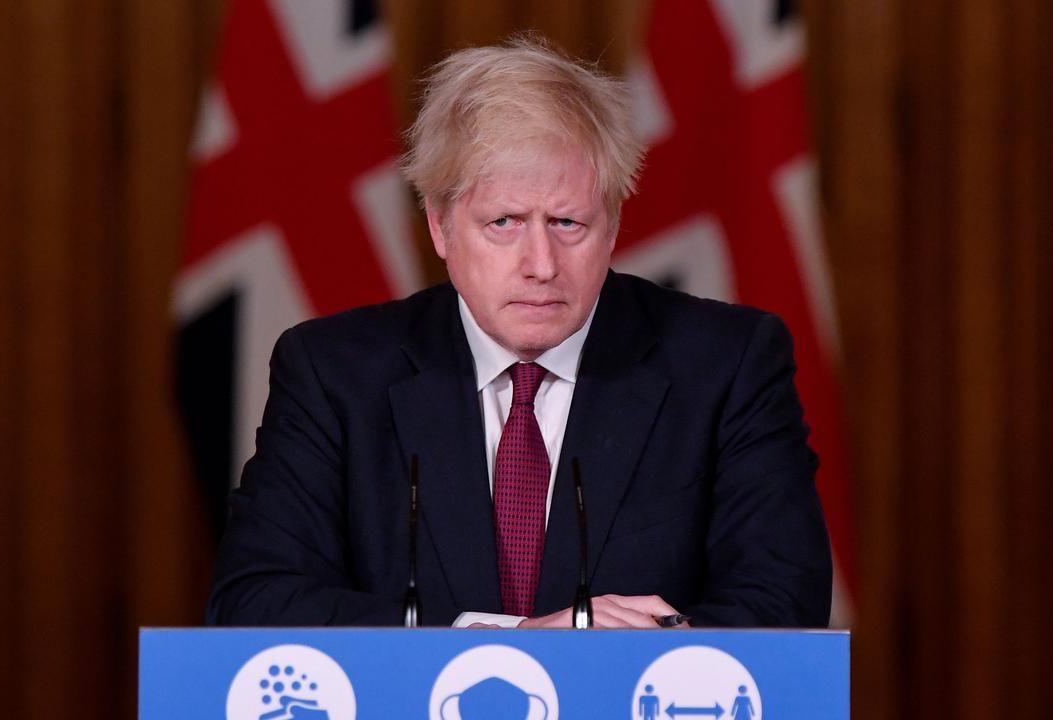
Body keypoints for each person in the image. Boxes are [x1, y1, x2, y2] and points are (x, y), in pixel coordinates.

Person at [206, 37, 832, 629]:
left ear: (612, 225)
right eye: (503, 221)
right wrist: (502, 640)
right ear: (441, 229)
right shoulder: (334, 373)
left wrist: (624, 652)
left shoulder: (727, 365)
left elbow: (783, 605)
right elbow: (256, 599)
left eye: (568, 221)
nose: (541, 263)